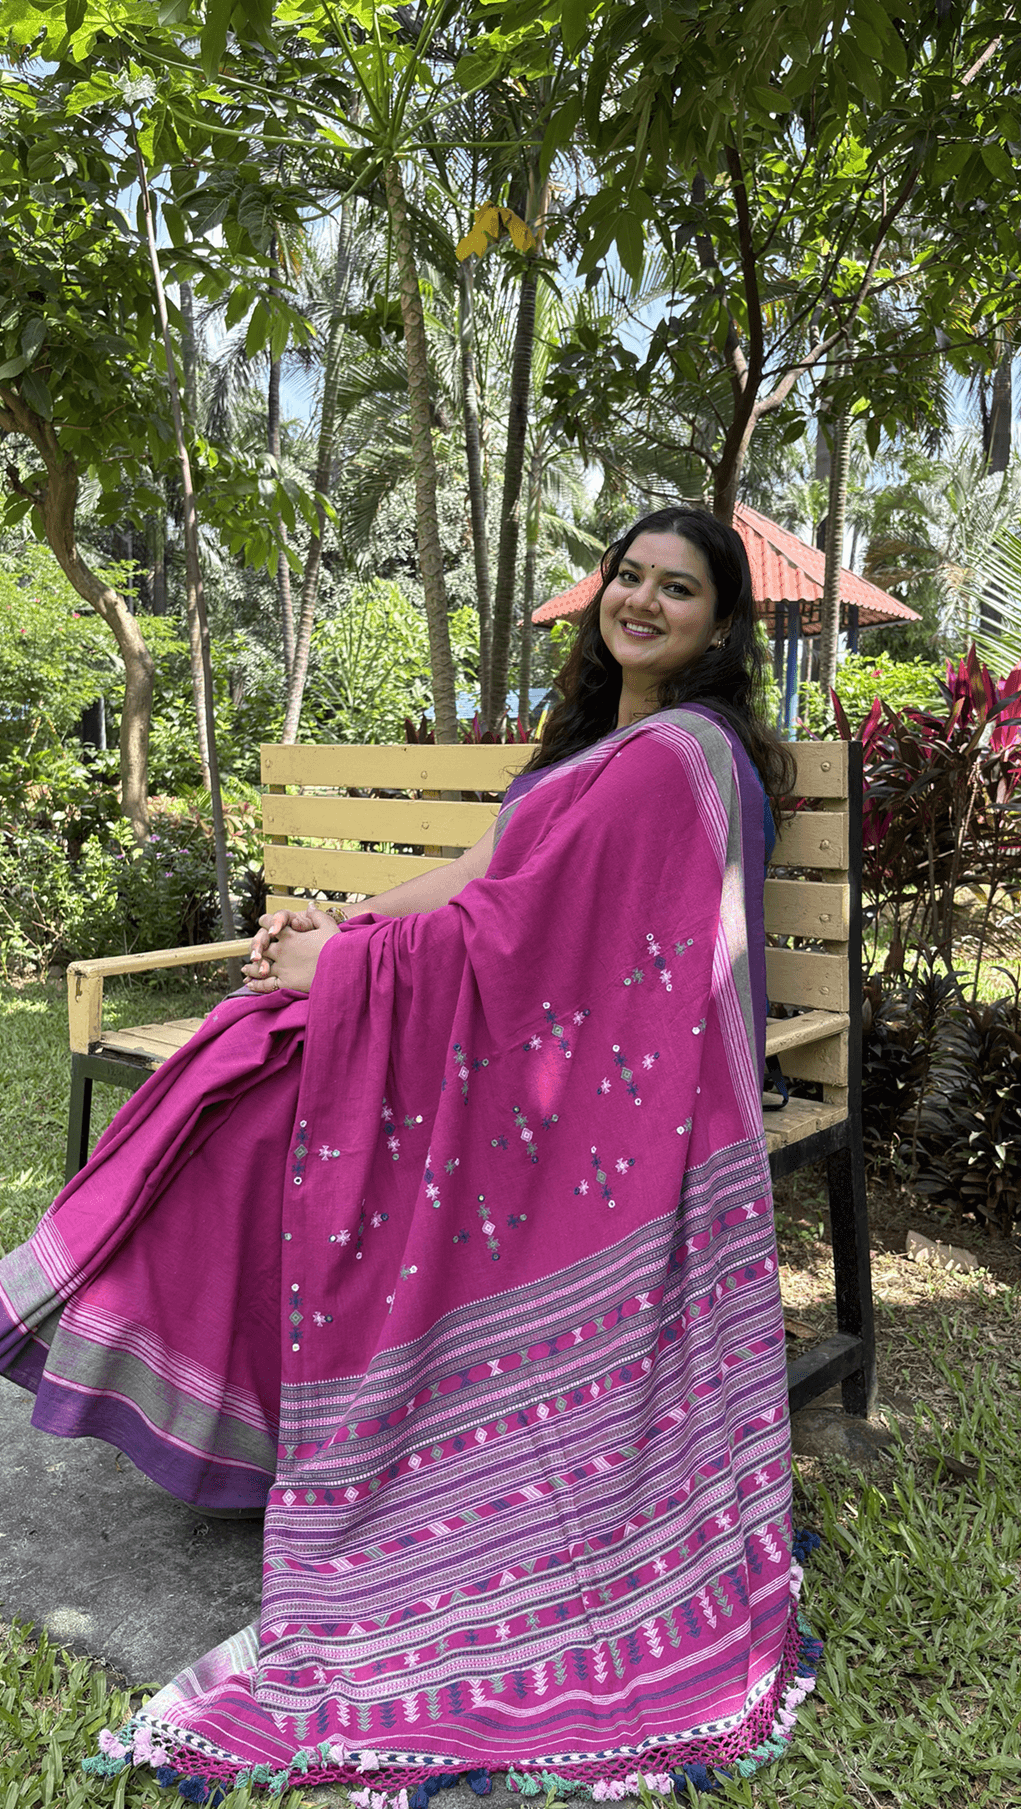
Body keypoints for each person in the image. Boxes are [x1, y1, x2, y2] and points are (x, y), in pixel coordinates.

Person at [1, 508, 820, 1805]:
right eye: (630, 579)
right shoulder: (592, 744)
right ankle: (270, 1422)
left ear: (721, 624)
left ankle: (347, 1430)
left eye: (678, 589)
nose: (645, 601)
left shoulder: (687, 758)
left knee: (274, 1113)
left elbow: (556, 944)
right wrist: (332, 933)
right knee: (246, 1062)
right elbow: (478, 877)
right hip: (509, 1029)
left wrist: (354, 973)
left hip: (597, 1079)